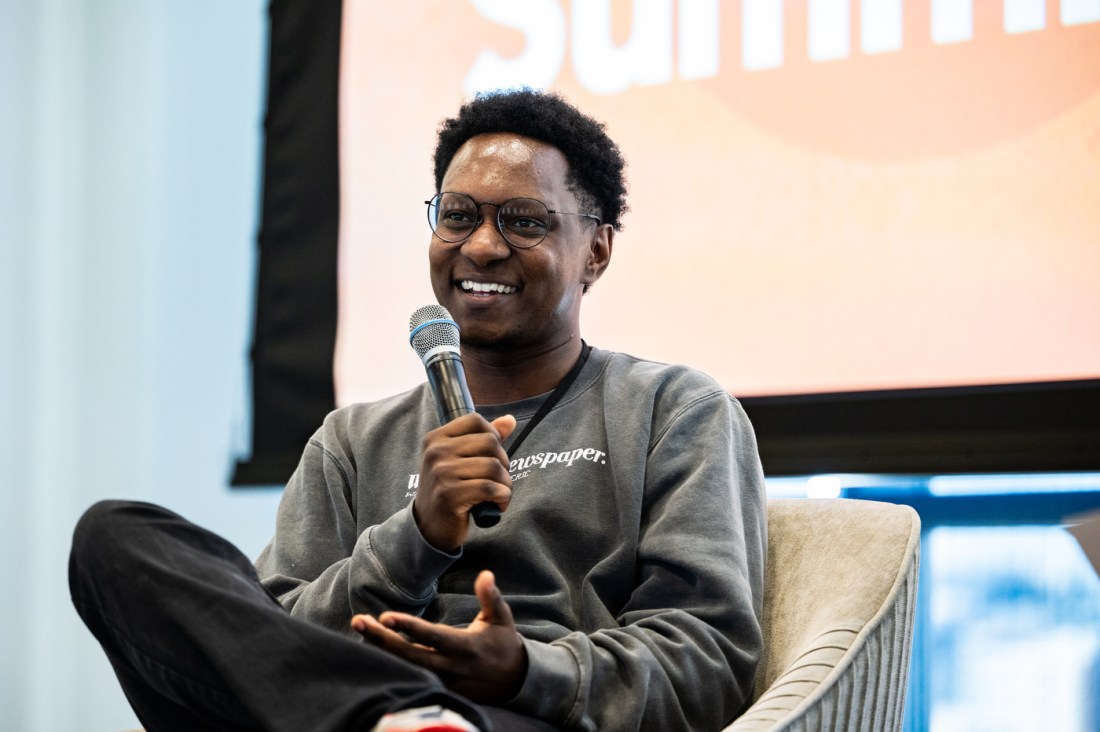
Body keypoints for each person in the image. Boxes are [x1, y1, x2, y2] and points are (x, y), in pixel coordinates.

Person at [69, 88, 766, 732]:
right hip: (339, 710)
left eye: (524, 222)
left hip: (524, 716)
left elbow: (708, 659)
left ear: (597, 252)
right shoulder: (353, 439)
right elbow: (268, 634)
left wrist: (527, 669)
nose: (483, 246)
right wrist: (418, 536)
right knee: (117, 537)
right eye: (458, 215)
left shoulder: (674, 410)